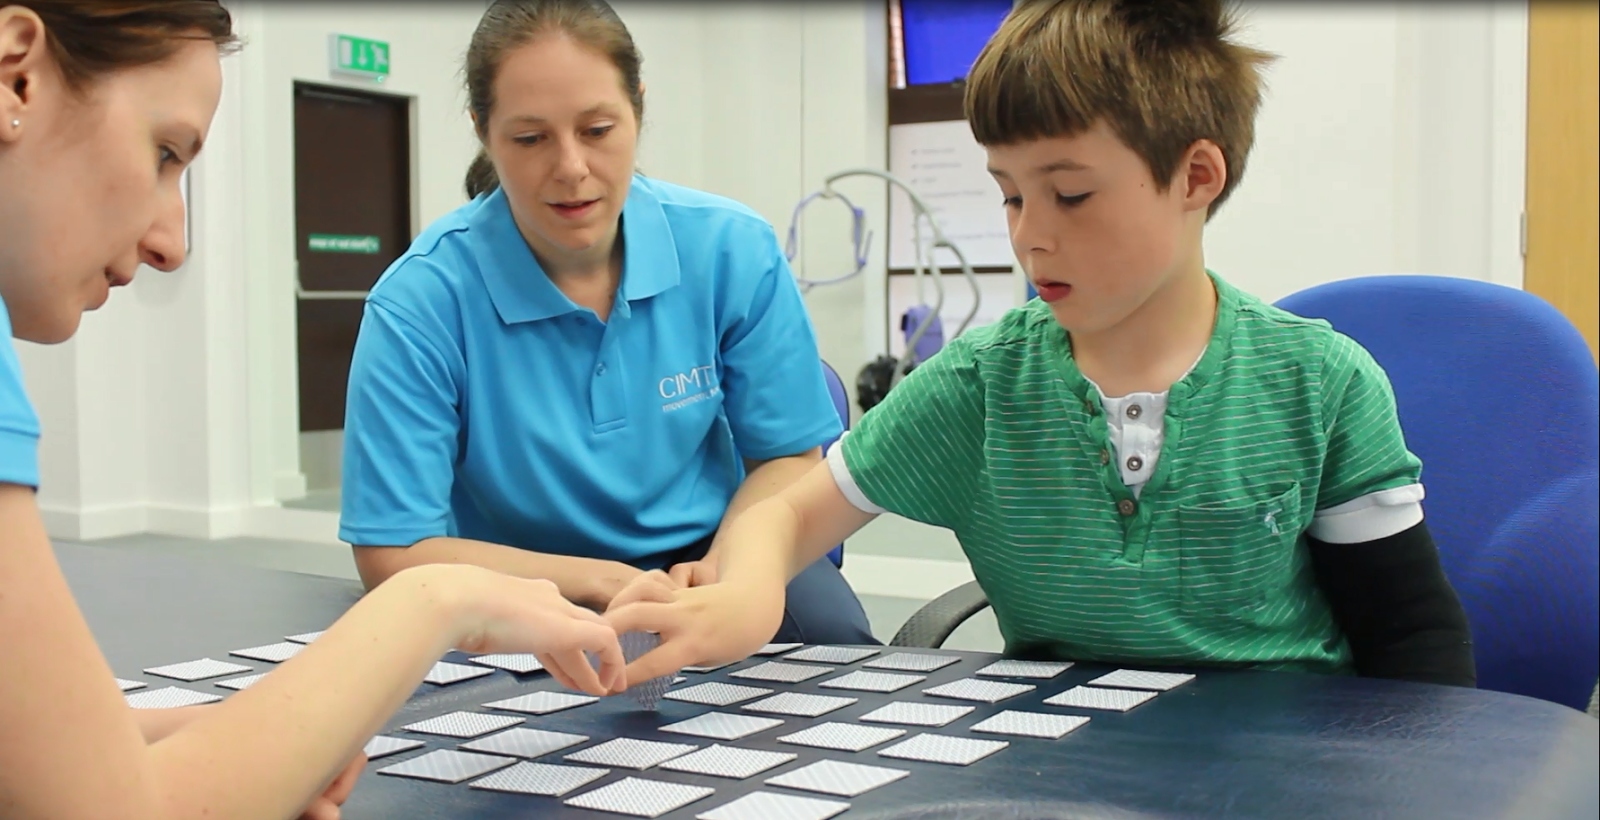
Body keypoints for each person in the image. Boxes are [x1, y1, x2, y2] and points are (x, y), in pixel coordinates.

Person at [606, 0, 1477, 688]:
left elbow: (1413, 640)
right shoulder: (983, 385)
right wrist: (750, 583)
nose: (1030, 236)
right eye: (1012, 196)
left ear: (1195, 177)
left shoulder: (1319, 384)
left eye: (1070, 195)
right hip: (1061, 773)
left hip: (1282, 767)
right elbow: (792, 508)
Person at [0, 4, 627, 819]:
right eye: (164, 152)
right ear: (16, 71)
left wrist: (209, 739)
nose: (173, 242)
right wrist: (442, 599)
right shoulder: (426, 292)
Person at [338, 0, 876, 646]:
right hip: (515, 576)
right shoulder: (421, 303)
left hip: (714, 549)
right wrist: (599, 582)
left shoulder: (730, 251)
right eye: (530, 138)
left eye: (597, 129)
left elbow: (788, 457)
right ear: (483, 129)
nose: (570, 168)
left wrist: (727, 570)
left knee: (831, 657)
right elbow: (394, 552)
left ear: (638, 108)